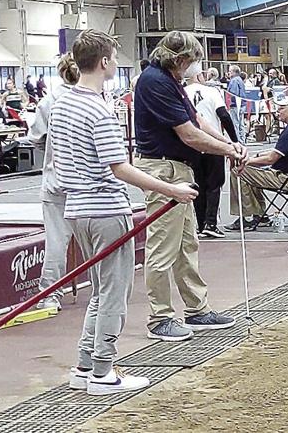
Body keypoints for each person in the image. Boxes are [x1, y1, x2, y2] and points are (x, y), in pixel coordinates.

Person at [48, 29, 199, 395]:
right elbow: (120, 167)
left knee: (101, 291)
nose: (116, 63)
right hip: (103, 210)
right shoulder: (98, 110)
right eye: (114, 57)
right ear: (104, 62)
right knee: (113, 292)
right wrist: (170, 190)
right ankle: (103, 370)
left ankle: (87, 365)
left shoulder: (62, 103)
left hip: (77, 210)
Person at [134, 30, 245, 342]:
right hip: (163, 169)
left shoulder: (171, 81)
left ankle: (196, 308)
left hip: (179, 169)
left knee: (186, 244)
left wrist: (230, 143)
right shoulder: (155, 81)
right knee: (163, 247)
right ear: (180, 59)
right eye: (191, 61)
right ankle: (160, 318)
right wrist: (227, 150)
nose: (193, 66)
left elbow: (197, 121)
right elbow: (189, 135)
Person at [29, 54, 81, 312]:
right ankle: (103, 290)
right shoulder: (92, 99)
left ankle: (49, 295)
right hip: (85, 181)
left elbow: (36, 137)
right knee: (96, 241)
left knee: (56, 242)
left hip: (56, 181)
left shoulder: (48, 101)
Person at [225, 96, 288, 230]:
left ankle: (247, 217)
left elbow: (271, 159)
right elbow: (276, 153)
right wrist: (255, 158)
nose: (277, 111)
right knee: (251, 172)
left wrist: (247, 161)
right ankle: (260, 216)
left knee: (238, 171)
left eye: (281, 108)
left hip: (286, 179)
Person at [185, 68, 240, 239]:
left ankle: (201, 224)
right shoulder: (212, 91)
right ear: (199, 75)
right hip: (213, 143)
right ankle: (210, 223)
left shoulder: (181, 92)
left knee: (198, 183)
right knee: (214, 183)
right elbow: (223, 115)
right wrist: (234, 140)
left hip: (191, 143)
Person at [226, 65, 246, 142]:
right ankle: (242, 140)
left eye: (230, 71)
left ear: (234, 72)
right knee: (241, 124)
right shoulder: (240, 80)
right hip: (242, 104)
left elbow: (234, 93)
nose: (229, 73)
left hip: (235, 105)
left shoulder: (234, 80)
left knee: (235, 124)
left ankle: (237, 141)